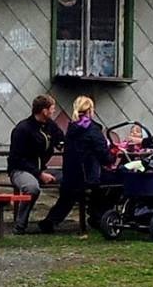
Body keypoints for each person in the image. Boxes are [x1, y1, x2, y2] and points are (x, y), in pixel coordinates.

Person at [36, 94, 112, 234]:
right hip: (88, 176)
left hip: (71, 174)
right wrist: (111, 157)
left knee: (68, 196)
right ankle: (99, 216)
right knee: (111, 184)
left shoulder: (72, 129)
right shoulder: (92, 129)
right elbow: (104, 155)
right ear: (90, 111)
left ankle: (50, 221)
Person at [6, 94, 64, 233]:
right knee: (32, 188)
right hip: (21, 170)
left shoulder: (50, 125)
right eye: (52, 108)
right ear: (44, 111)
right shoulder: (22, 129)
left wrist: (62, 144)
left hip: (41, 169)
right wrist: (39, 174)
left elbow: (60, 138)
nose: (53, 111)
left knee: (72, 180)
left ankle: (51, 220)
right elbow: (16, 158)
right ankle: (20, 225)